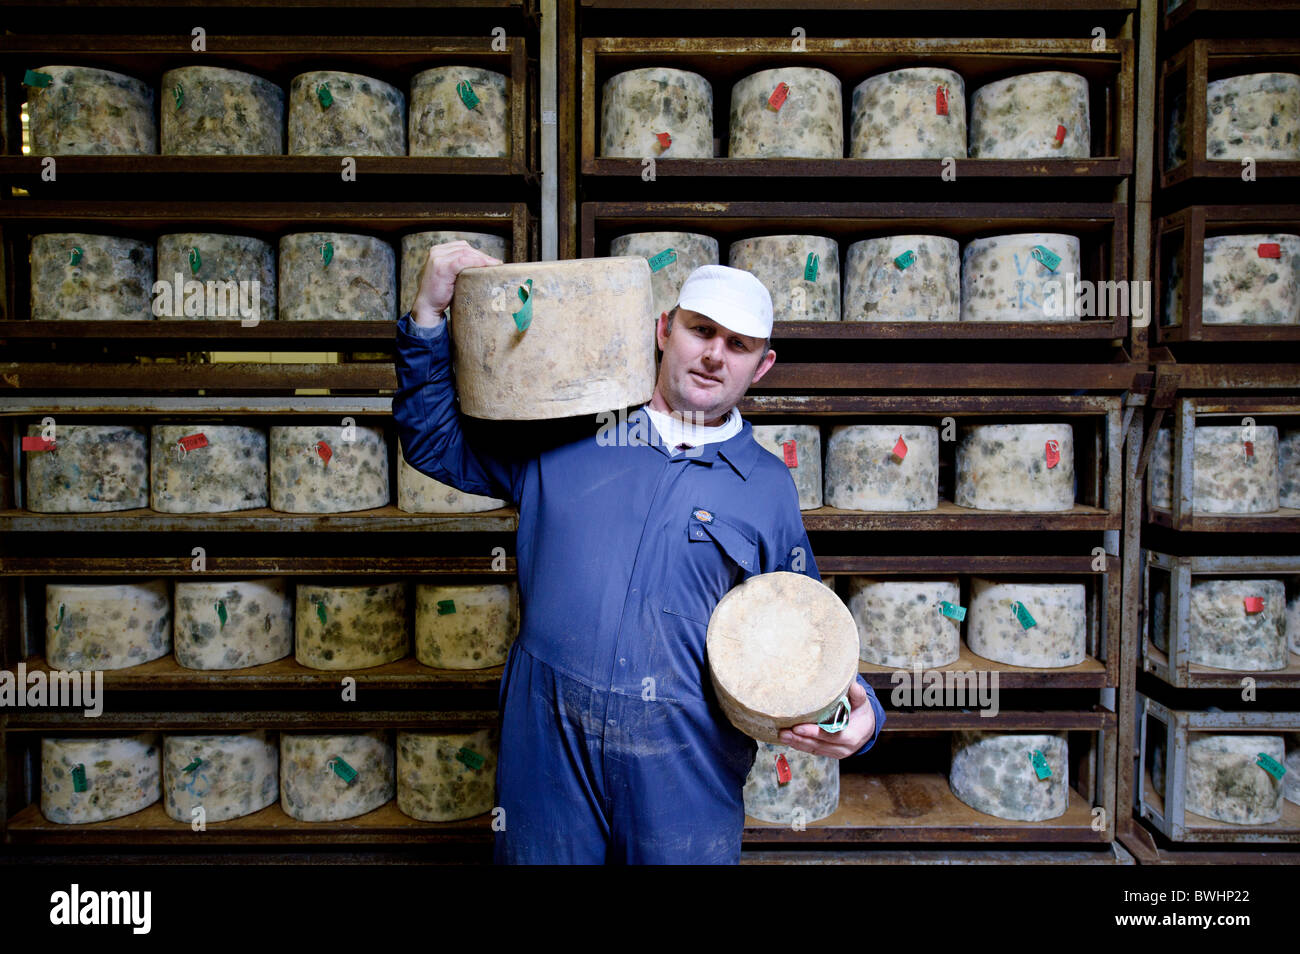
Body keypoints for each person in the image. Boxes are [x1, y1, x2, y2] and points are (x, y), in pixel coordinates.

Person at [393, 240, 885, 864]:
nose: (713, 355)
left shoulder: (767, 489)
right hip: (549, 746)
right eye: (700, 330)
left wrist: (860, 717)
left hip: (686, 763)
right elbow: (433, 439)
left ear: (762, 366)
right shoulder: (570, 434)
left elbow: (804, 632)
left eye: (738, 345)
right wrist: (428, 318)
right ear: (662, 329)